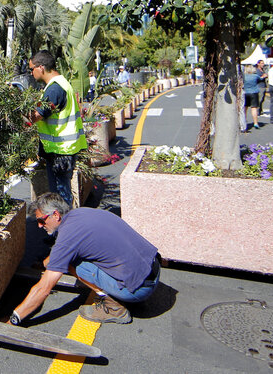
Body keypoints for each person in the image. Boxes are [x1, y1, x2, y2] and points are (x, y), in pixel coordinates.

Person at [8, 193, 160, 326]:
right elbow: (61, 251)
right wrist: (46, 263)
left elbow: (43, 289)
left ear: (56, 215)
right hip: (152, 269)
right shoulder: (81, 213)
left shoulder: (68, 237)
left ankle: (114, 308)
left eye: (42, 221)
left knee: (72, 263)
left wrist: (14, 319)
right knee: (67, 257)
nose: (40, 226)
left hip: (140, 290)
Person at [28, 50, 87, 206]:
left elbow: (36, 115)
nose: (31, 73)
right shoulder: (60, 84)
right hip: (63, 149)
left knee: (60, 198)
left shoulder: (54, 89)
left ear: (41, 67)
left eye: (31, 69)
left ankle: (65, 228)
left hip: (60, 151)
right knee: (62, 194)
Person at [243, 65, 262, 130]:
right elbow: (261, 79)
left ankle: (244, 122)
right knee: (254, 108)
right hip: (254, 92)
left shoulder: (244, 77)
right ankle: (256, 123)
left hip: (245, 93)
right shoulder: (255, 76)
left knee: (245, 108)